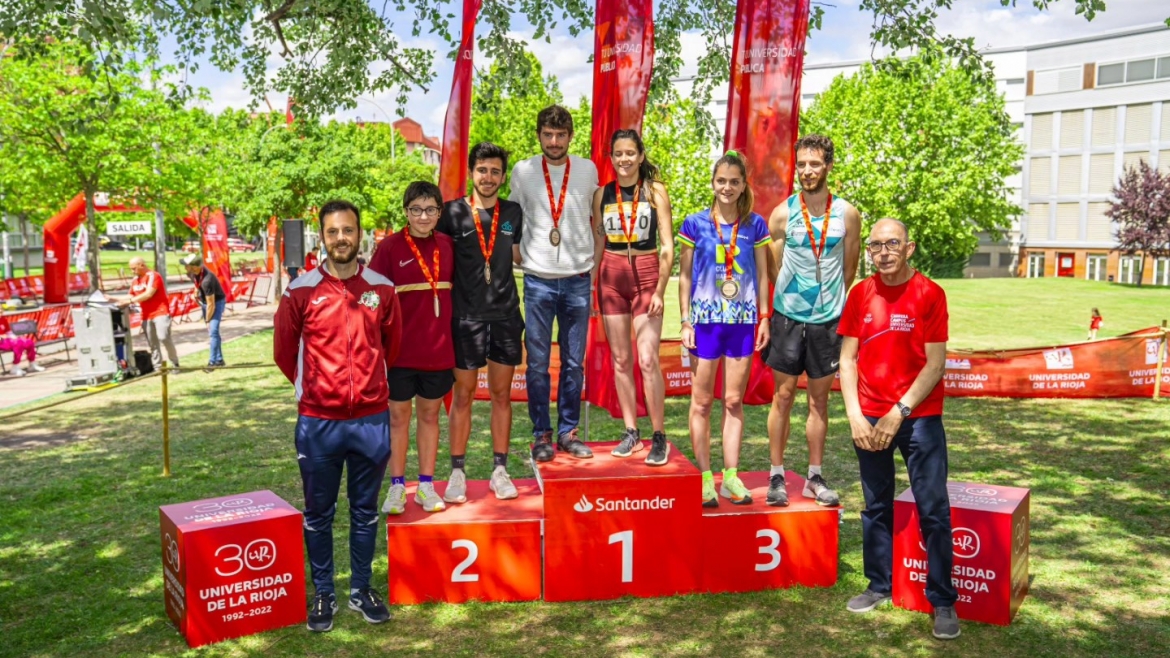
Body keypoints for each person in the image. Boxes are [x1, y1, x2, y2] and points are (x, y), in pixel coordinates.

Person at [273, 200, 403, 633]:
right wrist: (316, 390)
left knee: (365, 511)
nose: (341, 238)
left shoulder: (382, 288)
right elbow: (283, 351)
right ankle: (325, 592)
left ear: (360, 233)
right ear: (322, 237)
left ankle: (361, 589)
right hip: (318, 423)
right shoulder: (301, 291)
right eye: (333, 232)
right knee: (318, 513)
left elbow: (392, 346)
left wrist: (367, 385)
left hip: (371, 420)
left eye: (348, 230)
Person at [838, 218, 959, 640]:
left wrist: (898, 411)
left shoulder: (930, 293)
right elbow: (848, 359)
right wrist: (855, 415)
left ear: (909, 248)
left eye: (892, 243)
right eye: (875, 245)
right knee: (875, 506)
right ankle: (878, 585)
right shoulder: (860, 294)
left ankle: (942, 600)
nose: (883, 251)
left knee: (932, 508)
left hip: (919, 417)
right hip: (868, 417)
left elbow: (936, 364)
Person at [763, 134, 860, 507]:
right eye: (802, 164)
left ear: (828, 166)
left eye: (815, 163)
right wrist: (790, 301)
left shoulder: (847, 214)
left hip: (828, 321)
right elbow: (773, 268)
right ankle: (776, 475)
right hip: (788, 318)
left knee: (819, 403)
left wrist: (828, 303)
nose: (807, 170)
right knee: (783, 396)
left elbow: (849, 269)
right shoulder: (783, 213)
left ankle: (814, 477)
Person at [678, 151, 772, 506]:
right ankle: (705, 478)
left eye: (734, 181)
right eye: (721, 181)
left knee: (733, 401)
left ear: (743, 184)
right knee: (701, 402)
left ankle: (730, 476)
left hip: (742, 322)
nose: (727, 187)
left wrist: (764, 317)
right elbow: (684, 276)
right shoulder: (695, 223)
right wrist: (685, 321)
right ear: (712, 183)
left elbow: (763, 275)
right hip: (704, 322)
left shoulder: (755, 225)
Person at [510, 105, 601, 462]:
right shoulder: (523, 171)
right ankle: (541, 434)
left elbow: (596, 220)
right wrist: (518, 251)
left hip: (577, 279)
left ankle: (568, 431)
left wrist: (593, 263)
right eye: (548, 134)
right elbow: (513, 217)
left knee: (574, 363)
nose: (554, 141)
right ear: (539, 135)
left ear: (570, 136)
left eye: (560, 135)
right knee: (536, 363)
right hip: (538, 281)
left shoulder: (587, 169)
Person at [438, 142, 525, 501]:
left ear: (503, 176)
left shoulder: (514, 212)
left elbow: (520, 256)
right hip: (466, 318)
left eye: (495, 171)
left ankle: (499, 470)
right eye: (482, 170)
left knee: (502, 395)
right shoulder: (451, 213)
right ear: (472, 173)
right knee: (464, 395)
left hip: (505, 316)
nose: (488, 177)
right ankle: (457, 472)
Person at [370, 181, 456, 514]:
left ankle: (425, 484)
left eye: (430, 209)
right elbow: (371, 295)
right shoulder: (389, 248)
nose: (423, 216)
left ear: (439, 213)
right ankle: (395, 487)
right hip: (399, 353)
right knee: (398, 417)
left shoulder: (448, 246)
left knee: (430, 416)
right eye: (416, 209)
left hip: (438, 351)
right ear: (406, 212)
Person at [593, 129, 674, 464]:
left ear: (640, 156)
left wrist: (660, 289)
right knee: (621, 360)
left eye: (630, 153)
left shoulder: (656, 192)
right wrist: (592, 282)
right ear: (611, 158)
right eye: (618, 154)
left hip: (646, 275)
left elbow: (667, 245)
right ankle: (631, 432)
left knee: (647, 359)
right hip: (611, 277)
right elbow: (599, 240)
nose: (624, 160)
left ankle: (659, 436)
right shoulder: (602, 194)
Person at [118, 257, 179, 372]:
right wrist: (112, 299)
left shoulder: (153, 275)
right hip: (146, 315)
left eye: (134, 268)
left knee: (164, 337)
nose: (132, 271)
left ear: (142, 265)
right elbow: (130, 295)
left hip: (160, 312)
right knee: (152, 343)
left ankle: (174, 362)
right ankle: (157, 367)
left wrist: (129, 301)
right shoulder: (135, 280)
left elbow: (148, 294)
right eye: (131, 269)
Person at [180, 254, 227, 368]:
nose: (185, 267)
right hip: (206, 302)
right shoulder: (193, 273)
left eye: (187, 265)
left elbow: (211, 304)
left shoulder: (208, 279)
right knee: (213, 332)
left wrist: (207, 320)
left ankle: (212, 362)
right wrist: (195, 291)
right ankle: (219, 360)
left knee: (213, 331)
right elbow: (197, 281)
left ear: (194, 267)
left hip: (216, 302)